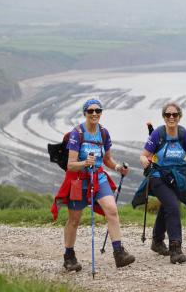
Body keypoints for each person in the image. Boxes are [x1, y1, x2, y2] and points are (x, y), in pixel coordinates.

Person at [52, 98, 135, 271]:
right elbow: (70, 164)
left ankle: (119, 253)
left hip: (98, 178)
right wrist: (85, 163)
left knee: (111, 210)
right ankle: (69, 256)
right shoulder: (77, 133)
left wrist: (119, 167)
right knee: (74, 220)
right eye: (91, 111)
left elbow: (107, 160)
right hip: (78, 181)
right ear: (85, 113)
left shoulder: (104, 133)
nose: (95, 114)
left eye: (98, 111)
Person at [136, 102, 186, 264]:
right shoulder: (158, 134)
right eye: (168, 115)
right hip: (158, 177)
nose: (171, 117)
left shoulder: (184, 134)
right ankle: (175, 249)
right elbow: (143, 155)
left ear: (179, 117)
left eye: (174, 115)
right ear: (164, 117)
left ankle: (157, 241)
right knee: (172, 206)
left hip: (177, 178)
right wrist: (144, 161)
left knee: (167, 206)